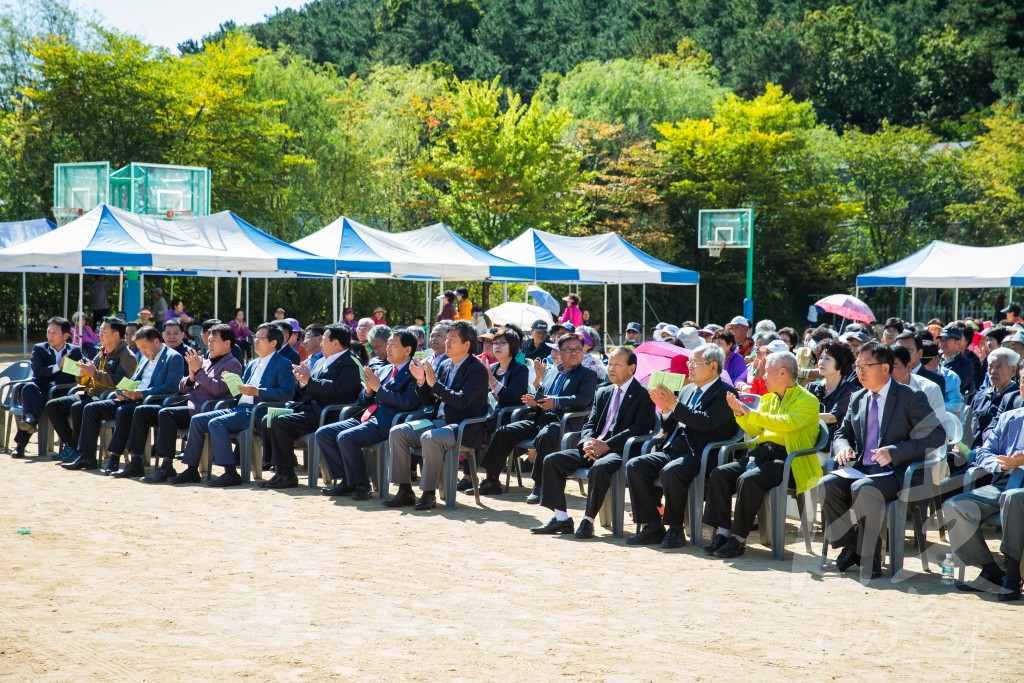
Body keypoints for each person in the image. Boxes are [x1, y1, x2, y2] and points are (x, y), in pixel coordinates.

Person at [819, 342, 945, 580]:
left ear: (885, 368)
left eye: (867, 365)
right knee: (826, 484)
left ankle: (871, 556)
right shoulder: (857, 398)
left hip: (898, 473)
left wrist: (896, 451)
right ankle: (854, 547)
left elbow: (936, 435)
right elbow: (841, 433)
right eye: (857, 366)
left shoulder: (910, 396)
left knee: (862, 488)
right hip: (861, 469)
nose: (860, 371)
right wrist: (843, 447)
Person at [703, 351, 821, 559]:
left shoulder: (808, 401)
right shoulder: (768, 400)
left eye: (767, 372)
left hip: (789, 460)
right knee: (719, 474)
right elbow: (757, 430)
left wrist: (751, 412)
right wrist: (740, 413)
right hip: (763, 453)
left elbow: (786, 423)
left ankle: (738, 539)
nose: (762, 377)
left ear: (783, 373)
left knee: (749, 480)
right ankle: (723, 532)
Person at [531, 348, 656, 536]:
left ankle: (587, 520)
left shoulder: (643, 394)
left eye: (617, 365)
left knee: (600, 467)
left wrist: (607, 445)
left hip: (621, 450)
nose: (611, 369)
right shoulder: (603, 392)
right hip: (594, 447)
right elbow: (590, 423)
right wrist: (587, 442)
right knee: (552, 460)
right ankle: (561, 518)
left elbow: (639, 428)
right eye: (609, 364)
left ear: (631, 369)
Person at [625, 344, 738, 547]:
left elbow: (705, 423)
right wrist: (666, 408)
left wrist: (675, 404)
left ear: (713, 367)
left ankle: (675, 529)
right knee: (636, 465)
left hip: (702, 452)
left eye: (695, 362)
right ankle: (652, 526)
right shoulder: (687, 390)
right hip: (675, 448)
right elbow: (670, 425)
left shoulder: (725, 393)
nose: (690, 366)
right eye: (689, 362)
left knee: (671, 471)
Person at [476, 333, 599, 503]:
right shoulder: (552, 371)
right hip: (541, 418)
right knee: (504, 431)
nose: (574, 353)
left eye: (578, 349)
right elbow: (544, 396)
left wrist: (555, 402)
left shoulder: (588, 374)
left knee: (545, 436)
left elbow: (583, 399)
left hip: (565, 422)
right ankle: (492, 479)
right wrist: (534, 401)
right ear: (560, 352)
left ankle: (540, 486)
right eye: (569, 349)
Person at [169, 323, 295, 487]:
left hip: (256, 411)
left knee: (216, 423)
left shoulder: (283, 363)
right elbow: (240, 391)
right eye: (255, 337)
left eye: (261, 338)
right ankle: (192, 469)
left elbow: (287, 393)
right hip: (239, 407)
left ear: (273, 343)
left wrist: (257, 391)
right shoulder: (252, 363)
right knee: (198, 420)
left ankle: (230, 472)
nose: (255, 341)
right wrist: (233, 383)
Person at [384, 320, 489, 511]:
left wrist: (434, 384)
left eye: (452, 340)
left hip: (461, 426)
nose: (447, 343)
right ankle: (405, 490)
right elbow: (430, 401)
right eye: (447, 339)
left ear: (467, 344)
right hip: (437, 422)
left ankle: (428, 493)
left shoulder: (477, 370)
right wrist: (422, 381)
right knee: (398, 431)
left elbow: (462, 402)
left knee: (429, 438)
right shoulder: (445, 365)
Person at [943, 368, 1024, 597]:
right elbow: (983, 452)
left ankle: (1012, 574)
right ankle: (989, 570)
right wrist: (1000, 463)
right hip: (1004, 482)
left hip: (1017, 492)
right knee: (955, 506)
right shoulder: (1011, 417)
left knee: (1012, 498)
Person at [65, 325, 184, 475]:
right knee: (91, 408)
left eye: (144, 347)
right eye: (139, 348)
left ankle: (116, 458)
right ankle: (87, 456)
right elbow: (132, 380)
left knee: (124, 411)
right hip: (132, 398)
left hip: (151, 401)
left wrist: (141, 394)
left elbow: (172, 387)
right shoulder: (143, 357)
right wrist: (121, 391)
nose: (142, 352)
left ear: (156, 342)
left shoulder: (173, 357)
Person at [317, 330, 422, 499]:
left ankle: (362, 485)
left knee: (346, 438)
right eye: (387, 344)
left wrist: (379, 389)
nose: (387, 348)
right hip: (366, 416)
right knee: (324, 434)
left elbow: (408, 403)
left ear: (407, 350)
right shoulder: (384, 369)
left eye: (392, 345)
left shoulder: (414, 372)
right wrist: (367, 390)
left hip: (387, 422)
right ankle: (347, 480)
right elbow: (363, 401)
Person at [136, 325, 243, 482]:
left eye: (214, 341)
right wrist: (192, 377)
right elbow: (182, 387)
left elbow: (218, 390)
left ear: (227, 343)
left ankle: (180, 468)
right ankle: (163, 464)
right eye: (209, 341)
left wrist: (199, 372)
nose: (210, 344)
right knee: (156, 411)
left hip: (208, 409)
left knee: (167, 413)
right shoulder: (206, 362)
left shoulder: (232, 364)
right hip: (192, 406)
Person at [260, 324, 362, 489]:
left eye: (324, 340)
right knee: (268, 418)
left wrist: (310, 381)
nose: (321, 344)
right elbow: (308, 388)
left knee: (280, 422)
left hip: (326, 413)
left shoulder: (349, 362)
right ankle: (279, 470)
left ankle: (288, 475)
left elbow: (339, 389)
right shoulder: (321, 360)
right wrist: (301, 380)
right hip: (309, 408)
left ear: (335, 343)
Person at [47, 317, 137, 464]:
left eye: (103, 331)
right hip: (90, 393)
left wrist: (94, 373)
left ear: (116, 335)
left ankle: (81, 451)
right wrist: (82, 374)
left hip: (106, 398)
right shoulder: (102, 352)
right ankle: (72, 445)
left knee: (78, 407)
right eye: (99, 331)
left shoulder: (127, 356)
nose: (99, 335)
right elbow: (87, 379)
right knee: (53, 405)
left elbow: (120, 383)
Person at [461, 328, 530, 492]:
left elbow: (513, 398)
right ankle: (469, 477)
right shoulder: (490, 367)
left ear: (512, 346)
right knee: (469, 424)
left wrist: (491, 381)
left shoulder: (520, 370)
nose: (497, 346)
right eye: (495, 343)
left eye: (502, 343)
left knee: (483, 426)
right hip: (489, 414)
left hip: (508, 416)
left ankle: (492, 479)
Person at [11, 317, 83, 458]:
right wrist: (58, 366)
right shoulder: (39, 349)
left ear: (65, 335)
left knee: (46, 404)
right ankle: (28, 424)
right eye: (48, 332)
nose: (50, 335)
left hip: (61, 393)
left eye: (54, 333)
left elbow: (81, 369)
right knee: (30, 387)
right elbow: (38, 372)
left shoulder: (75, 351)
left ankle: (26, 432)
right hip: (40, 390)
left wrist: (77, 367)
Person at [807, 339, 856, 446]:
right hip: (807, 439)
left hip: (832, 446)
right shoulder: (811, 387)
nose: (821, 362)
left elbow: (832, 417)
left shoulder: (850, 391)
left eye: (827, 359)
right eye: (820, 358)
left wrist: (799, 417)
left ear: (841, 362)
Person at [895, 331, 945, 396]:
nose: (903, 354)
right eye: (899, 350)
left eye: (909, 350)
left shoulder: (935, 379)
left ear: (920, 353)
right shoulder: (889, 376)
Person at [937, 325, 975, 397]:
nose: (943, 343)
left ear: (958, 343)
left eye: (947, 340)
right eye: (941, 340)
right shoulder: (935, 359)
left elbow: (957, 385)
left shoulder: (966, 364)